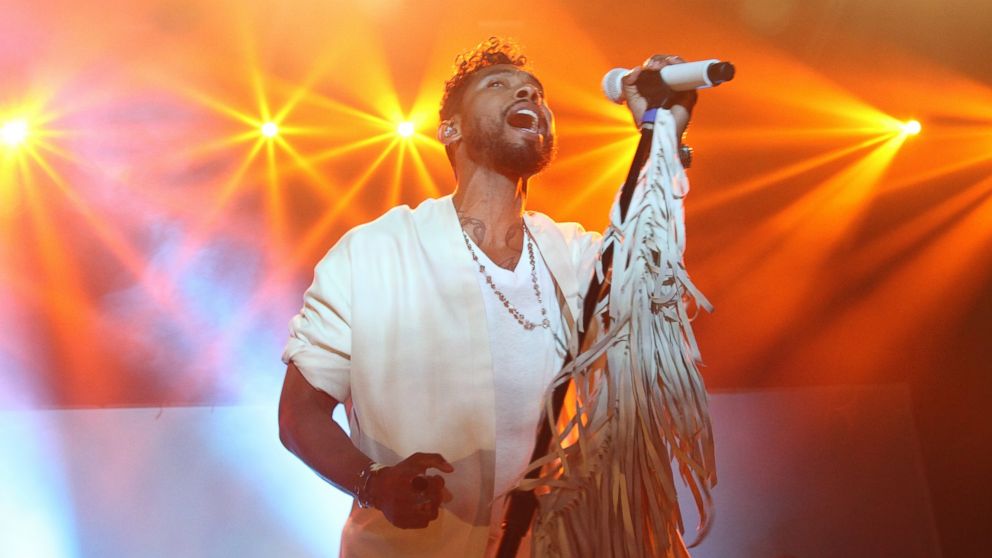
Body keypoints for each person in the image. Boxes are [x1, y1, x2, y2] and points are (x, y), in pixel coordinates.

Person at [278, 37, 697, 557]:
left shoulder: (578, 254)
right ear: (449, 129)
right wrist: (375, 483)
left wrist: (663, 138)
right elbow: (300, 415)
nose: (527, 92)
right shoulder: (372, 252)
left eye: (537, 92)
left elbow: (656, 290)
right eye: (497, 85)